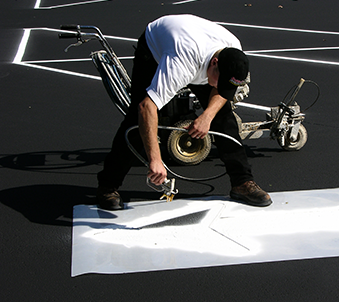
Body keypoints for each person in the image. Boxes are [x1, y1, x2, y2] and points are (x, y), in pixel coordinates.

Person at [96, 14, 272, 210]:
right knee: (136, 122)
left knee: (224, 119)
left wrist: (207, 117)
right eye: (218, 82)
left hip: (193, 44)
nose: (218, 87)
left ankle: (242, 183)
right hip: (156, 47)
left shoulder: (233, 52)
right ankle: (107, 187)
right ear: (214, 63)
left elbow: (222, 92)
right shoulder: (180, 64)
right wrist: (155, 160)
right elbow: (147, 107)